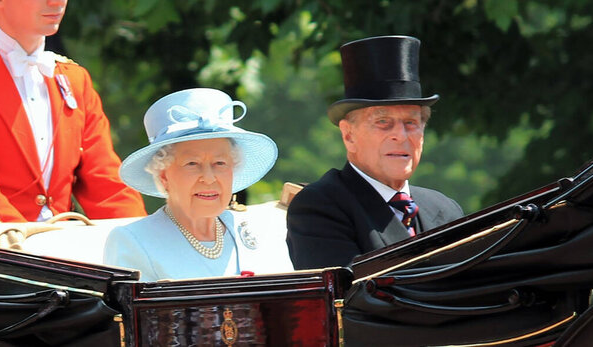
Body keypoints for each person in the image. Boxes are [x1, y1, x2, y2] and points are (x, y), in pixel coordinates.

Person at [286, 35, 464, 269]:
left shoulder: (445, 209)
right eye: (383, 122)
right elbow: (353, 299)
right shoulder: (319, 207)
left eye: (411, 123)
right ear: (349, 135)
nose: (400, 135)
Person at [103, 88, 294, 281]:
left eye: (220, 163)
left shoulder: (264, 234)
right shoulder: (133, 241)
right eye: (192, 164)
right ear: (164, 176)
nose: (209, 178)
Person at [0, 0, 146, 222]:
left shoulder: (75, 80)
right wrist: (21, 244)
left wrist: (139, 240)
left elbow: (107, 185)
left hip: (58, 248)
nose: (56, 2)